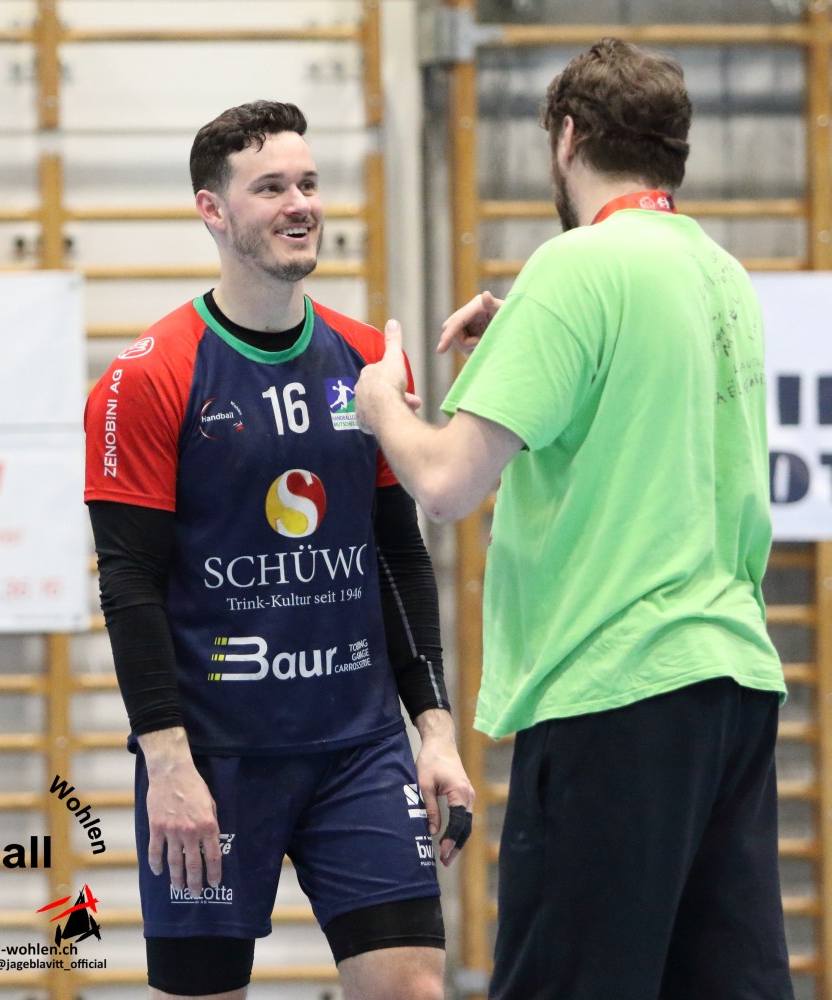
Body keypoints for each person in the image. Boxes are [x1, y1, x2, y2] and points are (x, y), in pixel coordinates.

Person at [354, 38, 793, 1000]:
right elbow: (623, 408)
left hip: (616, 688)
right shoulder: (721, 274)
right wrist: (527, 342)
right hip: (731, 686)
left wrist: (381, 403)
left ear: (565, 137)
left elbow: (445, 485)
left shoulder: (576, 267)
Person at [83, 100, 475, 1000]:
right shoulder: (148, 377)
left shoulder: (367, 362)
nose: (299, 204)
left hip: (359, 749)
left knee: (413, 989)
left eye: (307, 183)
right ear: (212, 211)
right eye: (269, 188)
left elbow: (397, 556)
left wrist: (435, 730)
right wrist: (167, 764)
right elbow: (130, 585)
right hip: (213, 759)